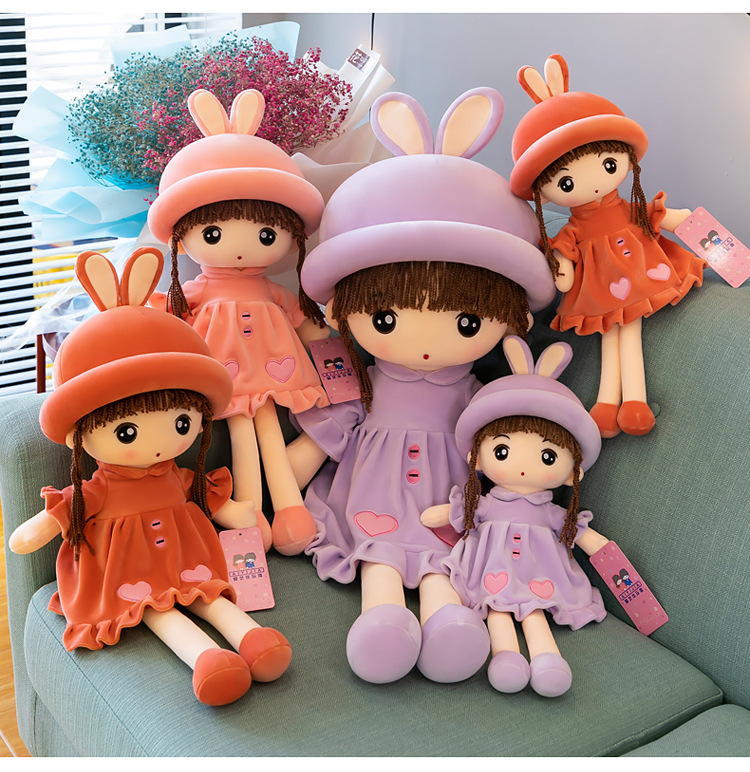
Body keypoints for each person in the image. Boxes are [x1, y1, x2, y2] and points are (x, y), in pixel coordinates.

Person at [287, 88, 556, 684]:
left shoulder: (485, 394)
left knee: (442, 558)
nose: (428, 344)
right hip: (374, 492)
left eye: (467, 323)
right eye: (386, 319)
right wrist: (280, 489)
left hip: (449, 493)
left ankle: (449, 624)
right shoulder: (362, 384)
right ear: (344, 310)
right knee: (378, 553)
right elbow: (328, 436)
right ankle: (381, 621)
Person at [9, 249, 291, 706]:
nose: (160, 444)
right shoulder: (100, 488)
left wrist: (238, 513)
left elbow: (199, 490)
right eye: (127, 432)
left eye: (181, 423)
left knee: (207, 595)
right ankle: (206, 659)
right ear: (83, 433)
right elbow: (67, 510)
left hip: (186, 552)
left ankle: (253, 638)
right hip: (128, 568)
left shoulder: (176, 474)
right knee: (157, 610)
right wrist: (39, 527)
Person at [147, 88, 330, 556]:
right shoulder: (196, 291)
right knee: (243, 434)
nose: (244, 247)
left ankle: (290, 510)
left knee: (267, 429)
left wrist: (328, 340)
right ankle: (249, 514)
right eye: (213, 233)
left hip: (273, 372)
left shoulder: (273, 290)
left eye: (266, 233)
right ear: (182, 240)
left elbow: (309, 324)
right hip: (224, 377)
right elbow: (161, 320)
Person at [510, 54, 706, 437]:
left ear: (625, 157)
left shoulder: (628, 208)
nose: (596, 182)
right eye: (566, 182)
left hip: (635, 274)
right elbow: (564, 255)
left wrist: (681, 218)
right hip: (602, 287)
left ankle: (628, 401)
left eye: (608, 164)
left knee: (625, 333)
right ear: (544, 193)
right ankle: (611, 403)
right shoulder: (573, 229)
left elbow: (653, 214)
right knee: (613, 334)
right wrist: (561, 268)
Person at [422, 336, 608, 697]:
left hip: (538, 571)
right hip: (492, 567)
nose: (522, 467)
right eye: (502, 450)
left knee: (534, 611)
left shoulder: (552, 513)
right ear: (478, 455)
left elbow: (578, 531)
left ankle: (548, 660)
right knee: (497, 608)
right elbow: (459, 513)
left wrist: (599, 546)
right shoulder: (489, 503)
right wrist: (442, 513)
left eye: (548, 457)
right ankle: (505, 657)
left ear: (573, 474)